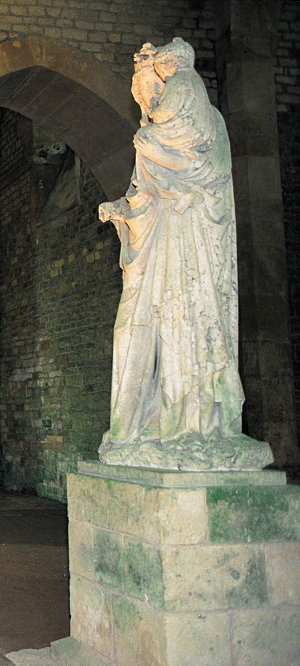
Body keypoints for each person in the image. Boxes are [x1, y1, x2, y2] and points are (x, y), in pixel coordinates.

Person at [97, 38, 272, 470]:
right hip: (156, 251)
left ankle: (190, 427)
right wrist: (124, 209)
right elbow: (145, 197)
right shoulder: (151, 140)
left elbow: (202, 176)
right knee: (135, 330)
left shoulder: (201, 128)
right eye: (148, 96)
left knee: (185, 329)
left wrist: (153, 146)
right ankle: (144, 426)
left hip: (190, 254)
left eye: (158, 92)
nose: (154, 102)